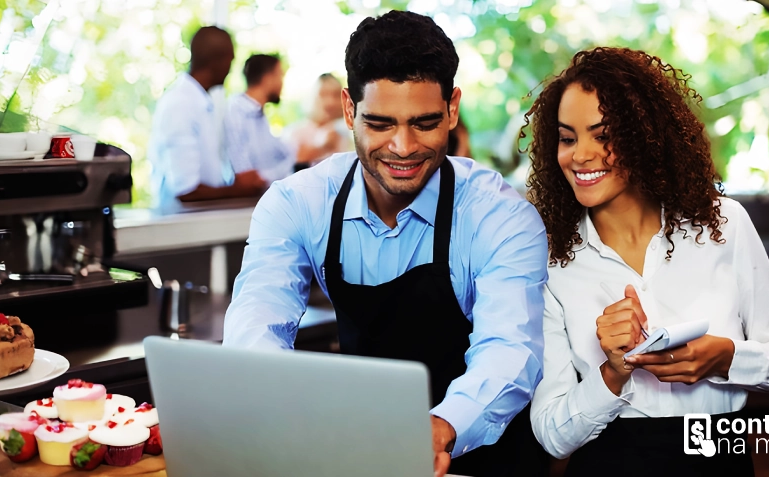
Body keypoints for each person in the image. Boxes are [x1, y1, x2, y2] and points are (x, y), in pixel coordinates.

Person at [223, 10, 550, 477]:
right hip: (367, 454)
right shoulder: (298, 203)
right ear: (349, 109)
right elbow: (255, 327)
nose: (402, 147)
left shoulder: (499, 216)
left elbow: (510, 350)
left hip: (485, 459)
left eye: (423, 122)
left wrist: (439, 427)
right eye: (379, 123)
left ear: (452, 109)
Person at [525, 47, 769, 476]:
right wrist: (612, 374)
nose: (580, 155)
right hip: (610, 462)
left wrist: (725, 357)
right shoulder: (550, 257)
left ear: (643, 137)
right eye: (567, 138)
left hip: (716, 455)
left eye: (602, 135)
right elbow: (552, 434)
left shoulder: (723, 223)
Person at [148, 26, 265, 206]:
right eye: (230, 60)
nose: (230, 69)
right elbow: (186, 191)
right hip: (180, 228)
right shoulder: (181, 104)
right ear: (218, 60)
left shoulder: (200, 102)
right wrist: (240, 189)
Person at [224, 54, 299, 184]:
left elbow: (281, 153)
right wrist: (294, 162)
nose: (282, 83)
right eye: (280, 75)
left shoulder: (258, 114)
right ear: (268, 79)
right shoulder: (236, 113)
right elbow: (246, 179)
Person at [285, 73, 352, 168]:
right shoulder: (296, 132)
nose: (330, 102)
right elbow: (290, 162)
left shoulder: (348, 130)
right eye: (323, 94)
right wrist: (323, 147)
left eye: (336, 95)